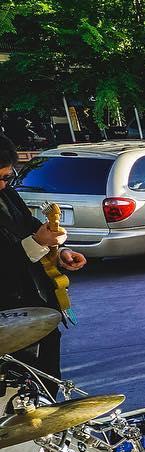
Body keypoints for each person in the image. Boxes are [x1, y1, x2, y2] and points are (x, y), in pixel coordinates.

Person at [0, 134, 87, 378]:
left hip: (38, 312)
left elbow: (29, 226)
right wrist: (38, 243)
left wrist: (58, 252)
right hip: (7, 319)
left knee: (50, 386)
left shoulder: (7, 194)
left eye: (7, 177)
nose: (3, 185)